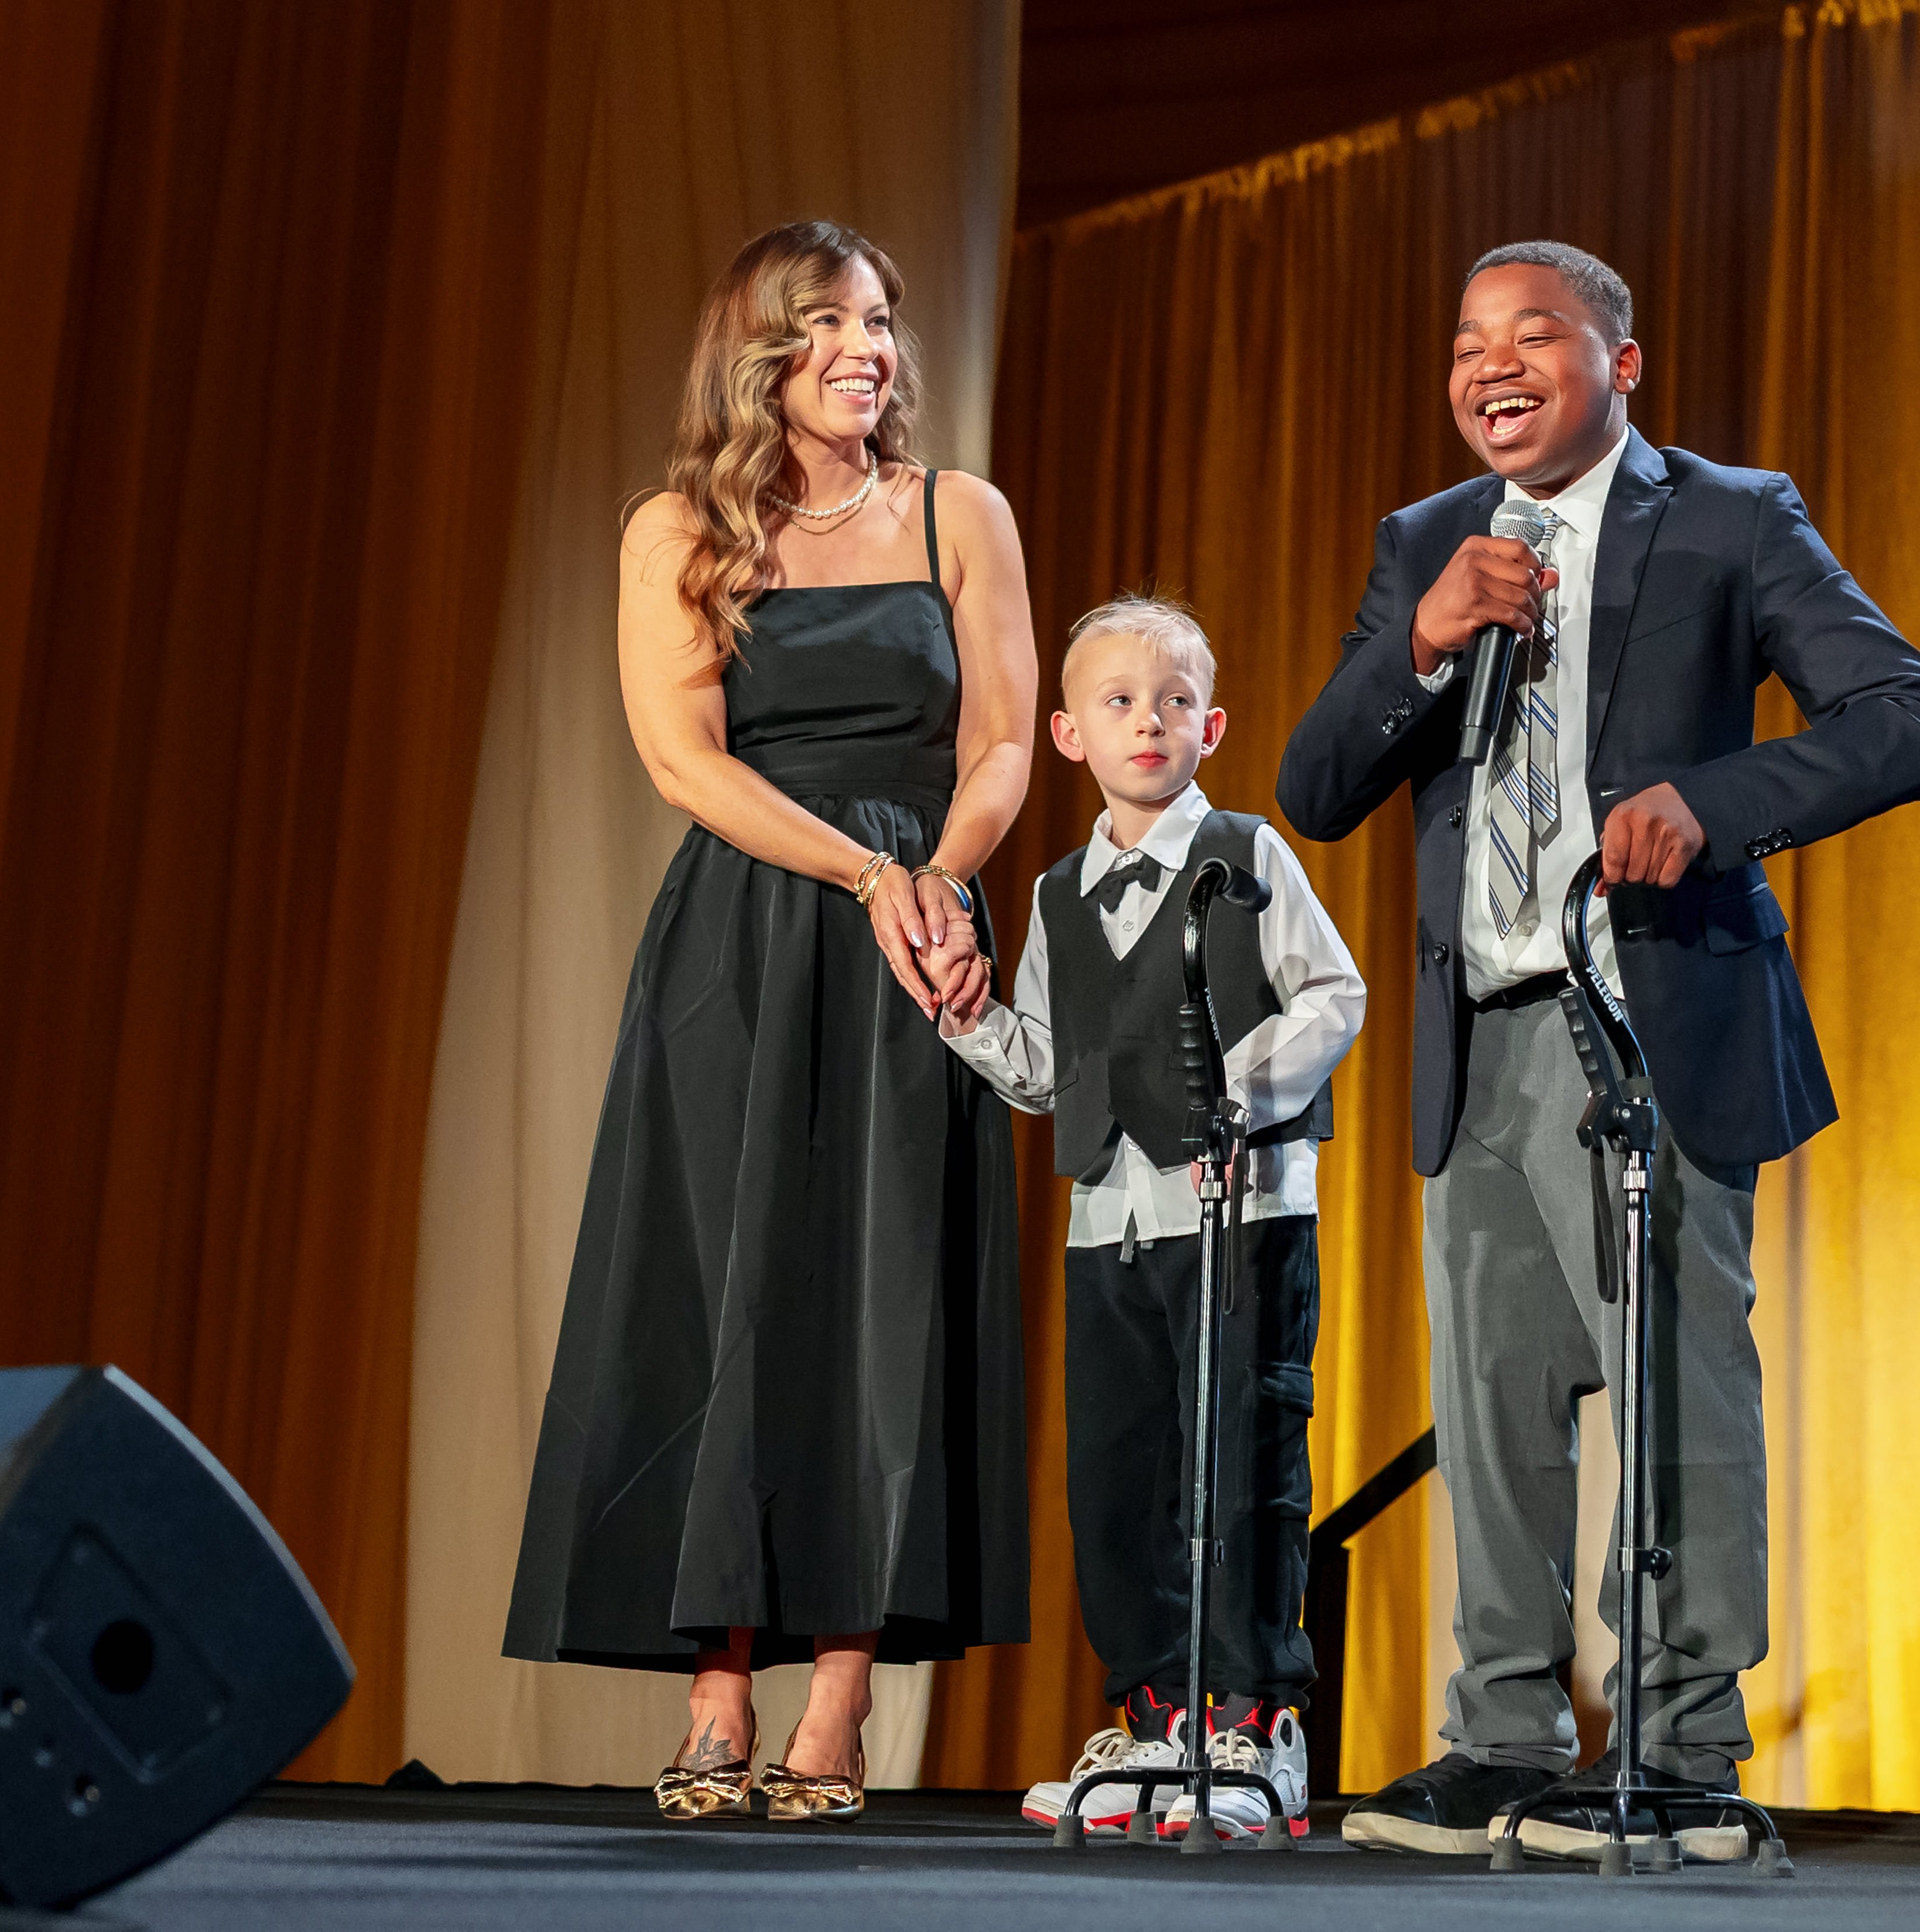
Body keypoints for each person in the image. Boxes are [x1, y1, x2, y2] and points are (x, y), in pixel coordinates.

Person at [1275, 240, 1920, 1859]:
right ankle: (1503, 1739)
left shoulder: (1729, 514)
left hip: (1648, 1022)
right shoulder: (1424, 544)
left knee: (1675, 1389)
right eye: (1465, 341)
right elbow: (1314, 787)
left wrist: (1716, 807)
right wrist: (1423, 642)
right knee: (1494, 1404)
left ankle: (1679, 1746)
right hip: (1482, 1033)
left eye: (1532, 334)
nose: (1490, 364)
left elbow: (1908, 716)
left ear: (1622, 364)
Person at [504, 221, 1038, 1824]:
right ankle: (717, 1682)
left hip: (914, 928)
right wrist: (866, 874)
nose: (869, 348)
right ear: (761, 357)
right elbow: (686, 760)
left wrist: (931, 889)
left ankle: (842, 1696)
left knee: (879, 1291)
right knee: (725, 1288)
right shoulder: (676, 527)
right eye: (828, 327)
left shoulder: (961, 514)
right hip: (747, 928)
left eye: (879, 322)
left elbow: (1005, 740)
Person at [938, 598, 1365, 1840]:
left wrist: (1232, 1089)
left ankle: (1253, 1725)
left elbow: (1331, 994)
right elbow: (1046, 1068)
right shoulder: (1061, 893)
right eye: (1120, 702)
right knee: (1119, 1473)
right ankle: (1150, 1720)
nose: (1149, 721)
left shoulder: (1245, 853)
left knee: (1236, 1465)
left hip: (1237, 1218)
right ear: (1069, 733)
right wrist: (965, 1014)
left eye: (1174, 701)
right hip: (1109, 1228)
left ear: (1211, 725)